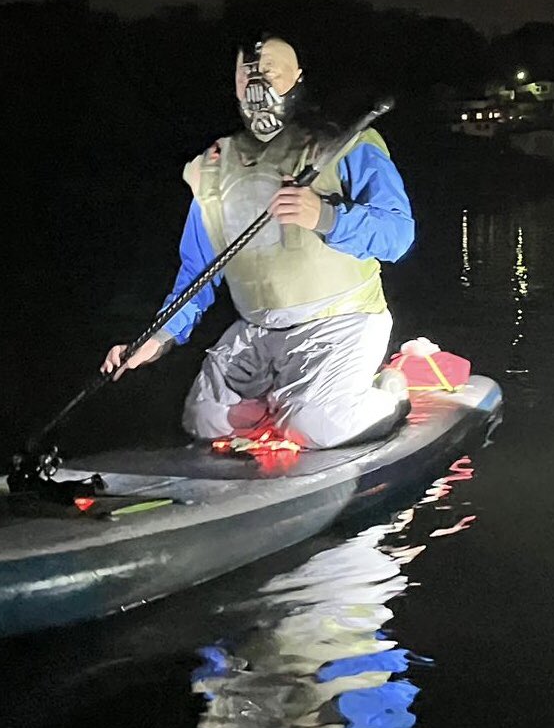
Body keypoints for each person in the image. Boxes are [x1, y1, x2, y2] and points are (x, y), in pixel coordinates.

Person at [101, 35, 415, 450]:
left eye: (269, 69)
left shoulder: (346, 145)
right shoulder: (213, 166)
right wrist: (156, 339)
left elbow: (398, 235)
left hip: (341, 320)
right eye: (246, 72)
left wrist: (325, 216)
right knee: (203, 420)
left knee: (316, 426)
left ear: (297, 77)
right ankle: (285, 408)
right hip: (259, 330)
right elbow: (198, 273)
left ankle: (389, 392)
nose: (257, 81)